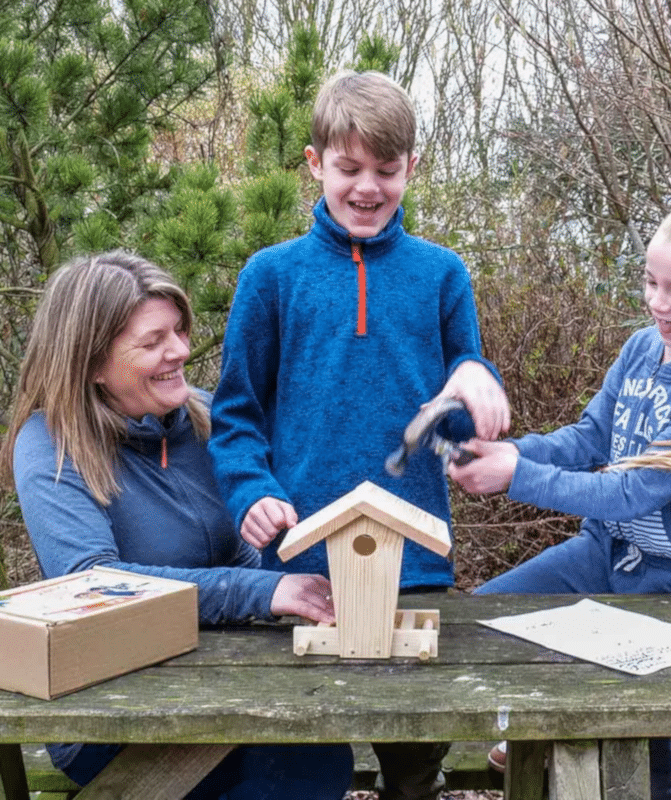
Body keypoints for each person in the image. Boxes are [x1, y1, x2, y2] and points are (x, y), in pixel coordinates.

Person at [208, 70, 510, 800]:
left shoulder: (442, 274)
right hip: (299, 569)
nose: (367, 187)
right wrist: (253, 490)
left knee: (414, 756)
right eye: (348, 169)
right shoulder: (271, 276)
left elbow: (456, 430)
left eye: (386, 169)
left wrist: (475, 380)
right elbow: (234, 418)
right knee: (299, 761)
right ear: (314, 164)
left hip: (416, 563)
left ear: (412, 166)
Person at [448, 192, 671, 800]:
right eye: (650, 282)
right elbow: (590, 437)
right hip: (602, 553)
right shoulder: (641, 348)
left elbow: (632, 493)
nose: (658, 303)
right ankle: (539, 725)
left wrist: (517, 477)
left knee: (654, 759)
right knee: (481, 621)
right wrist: (514, 452)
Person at [0, 250, 354, 800]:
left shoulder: (207, 418)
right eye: (153, 342)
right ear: (91, 363)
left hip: (222, 677)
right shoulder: (50, 443)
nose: (181, 351)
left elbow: (252, 553)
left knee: (320, 756)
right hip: (109, 707)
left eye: (180, 331)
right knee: (293, 770)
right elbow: (95, 582)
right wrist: (262, 592)